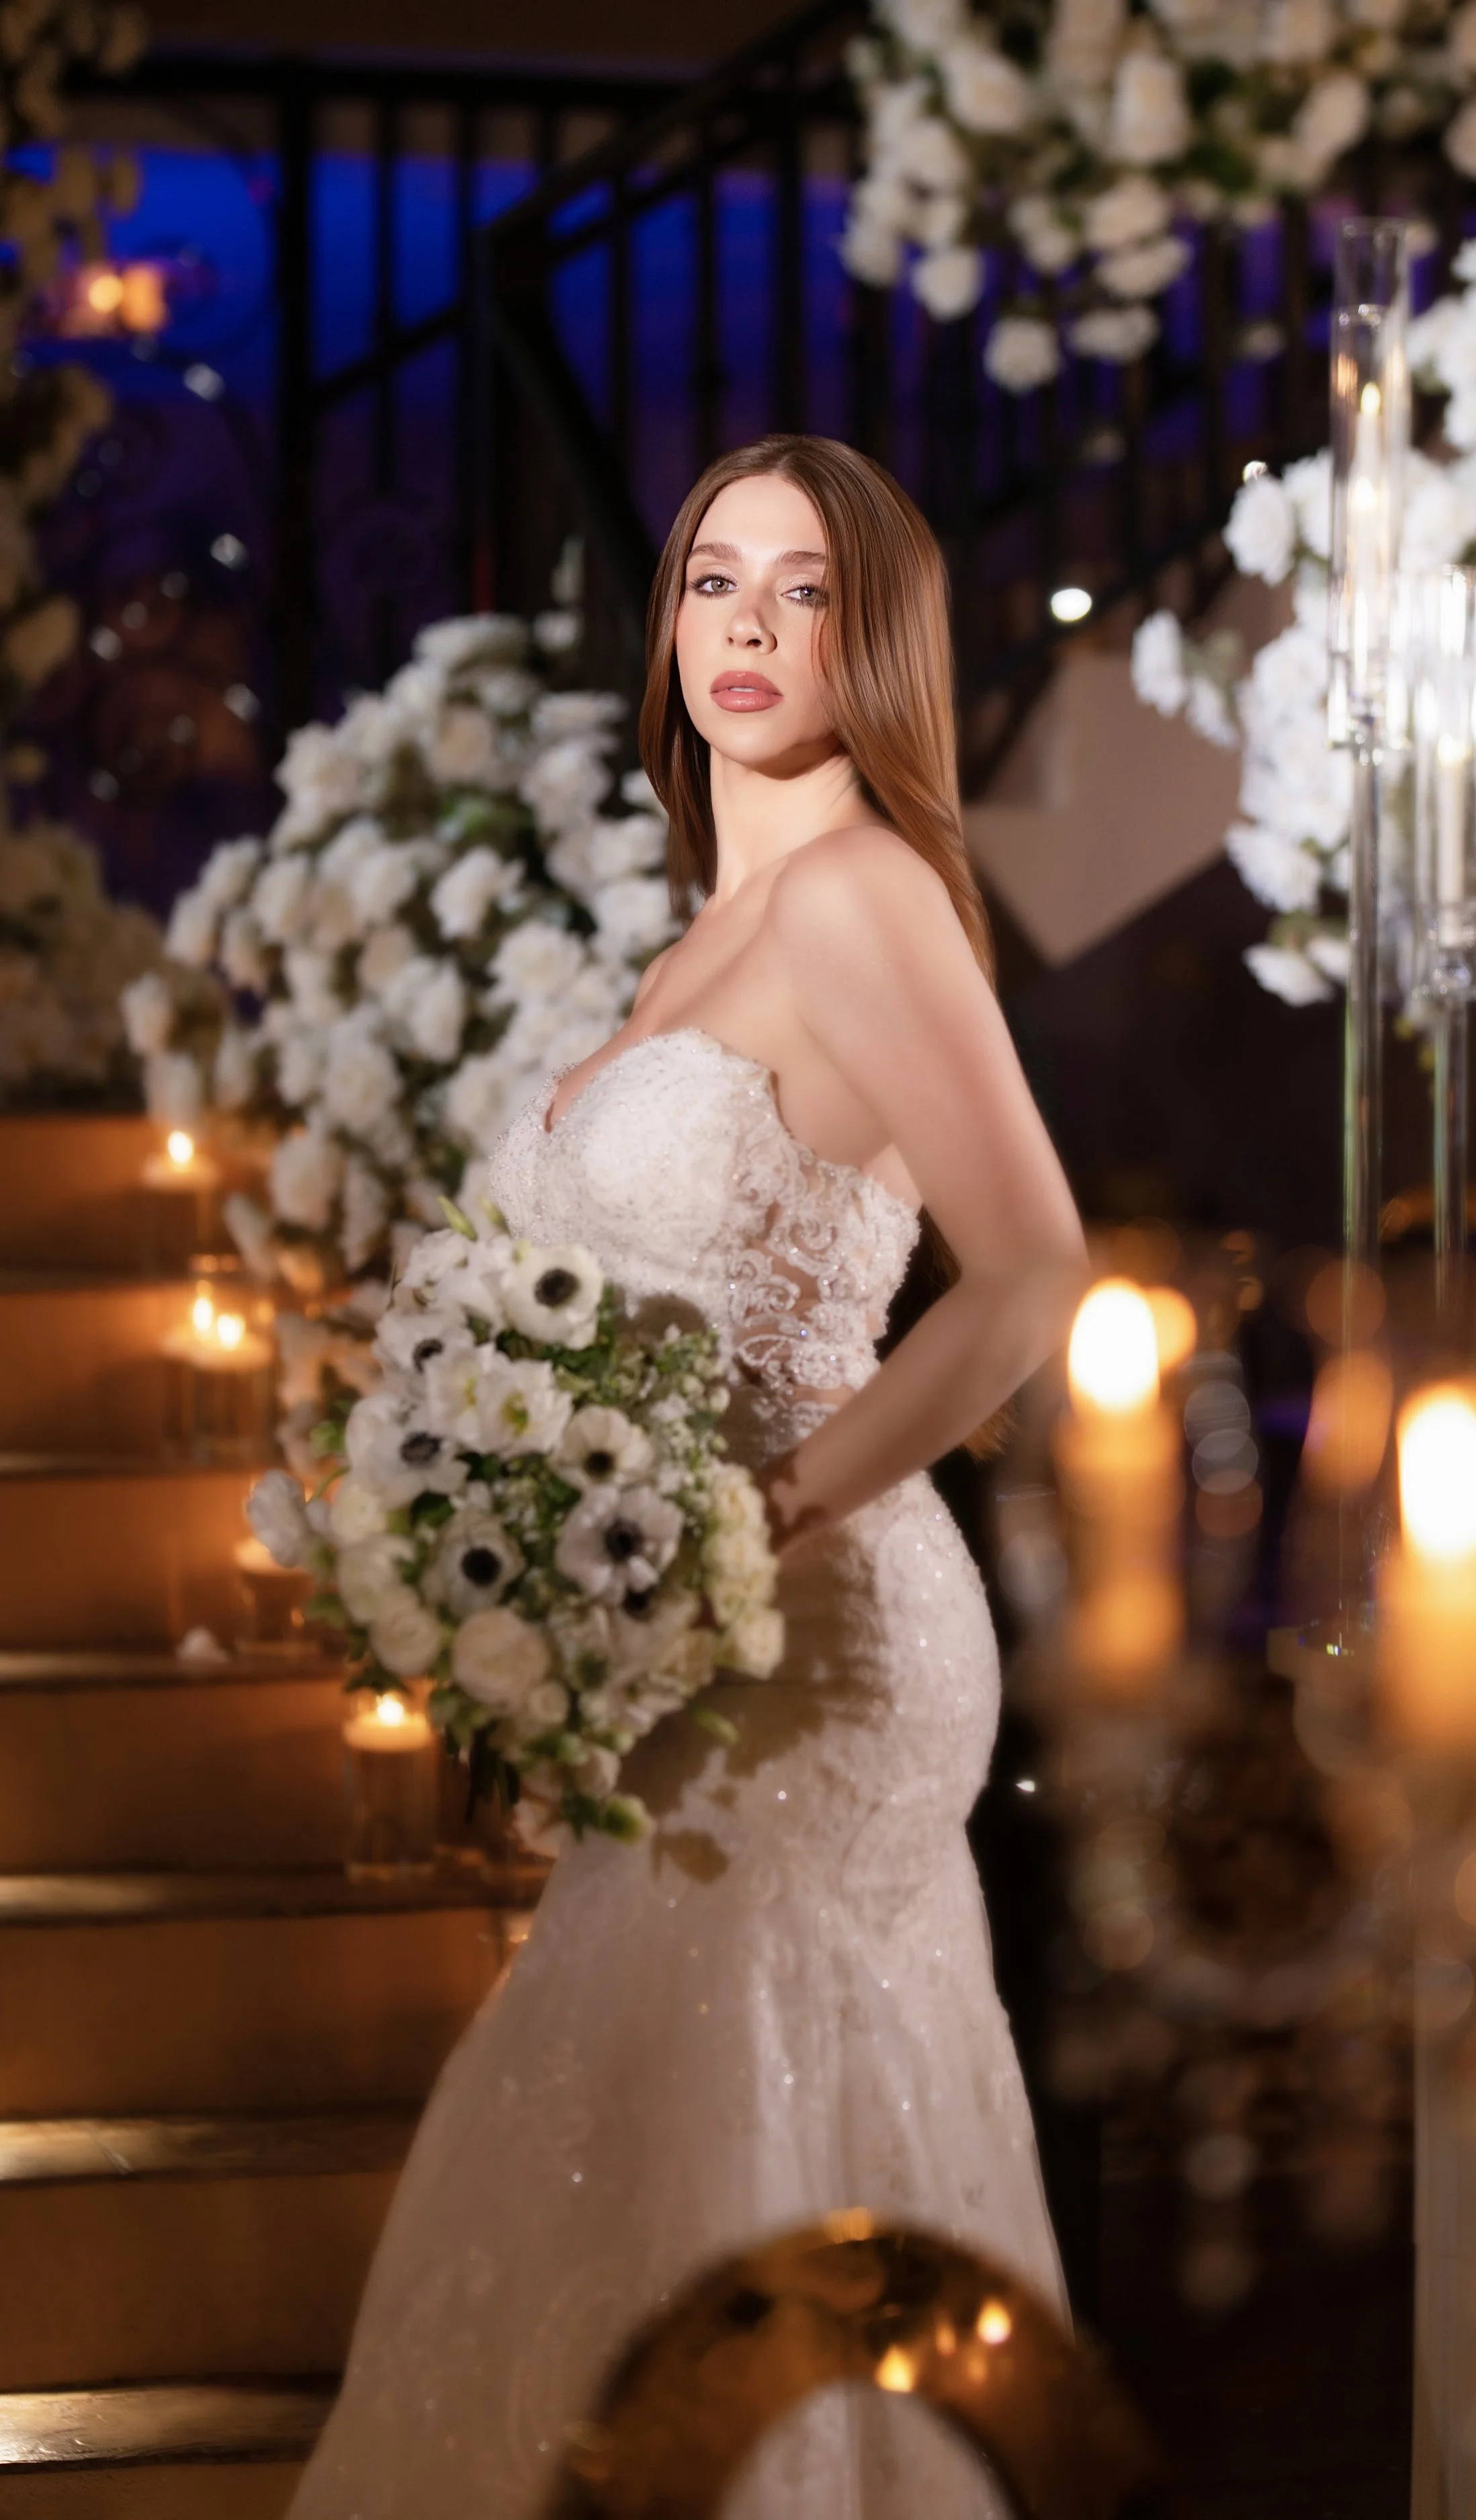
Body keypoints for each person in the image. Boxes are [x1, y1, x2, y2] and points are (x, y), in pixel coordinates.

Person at [287, 435, 1090, 2519]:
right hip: (678, 1639)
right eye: (712, 579)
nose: (745, 624)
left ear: (870, 638)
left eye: (801, 589)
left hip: (817, 1637)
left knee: (742, 2145)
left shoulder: (858, 895)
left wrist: (760, 1513)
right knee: (626, 2169)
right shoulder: (692, 950)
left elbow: (1031, 1270)